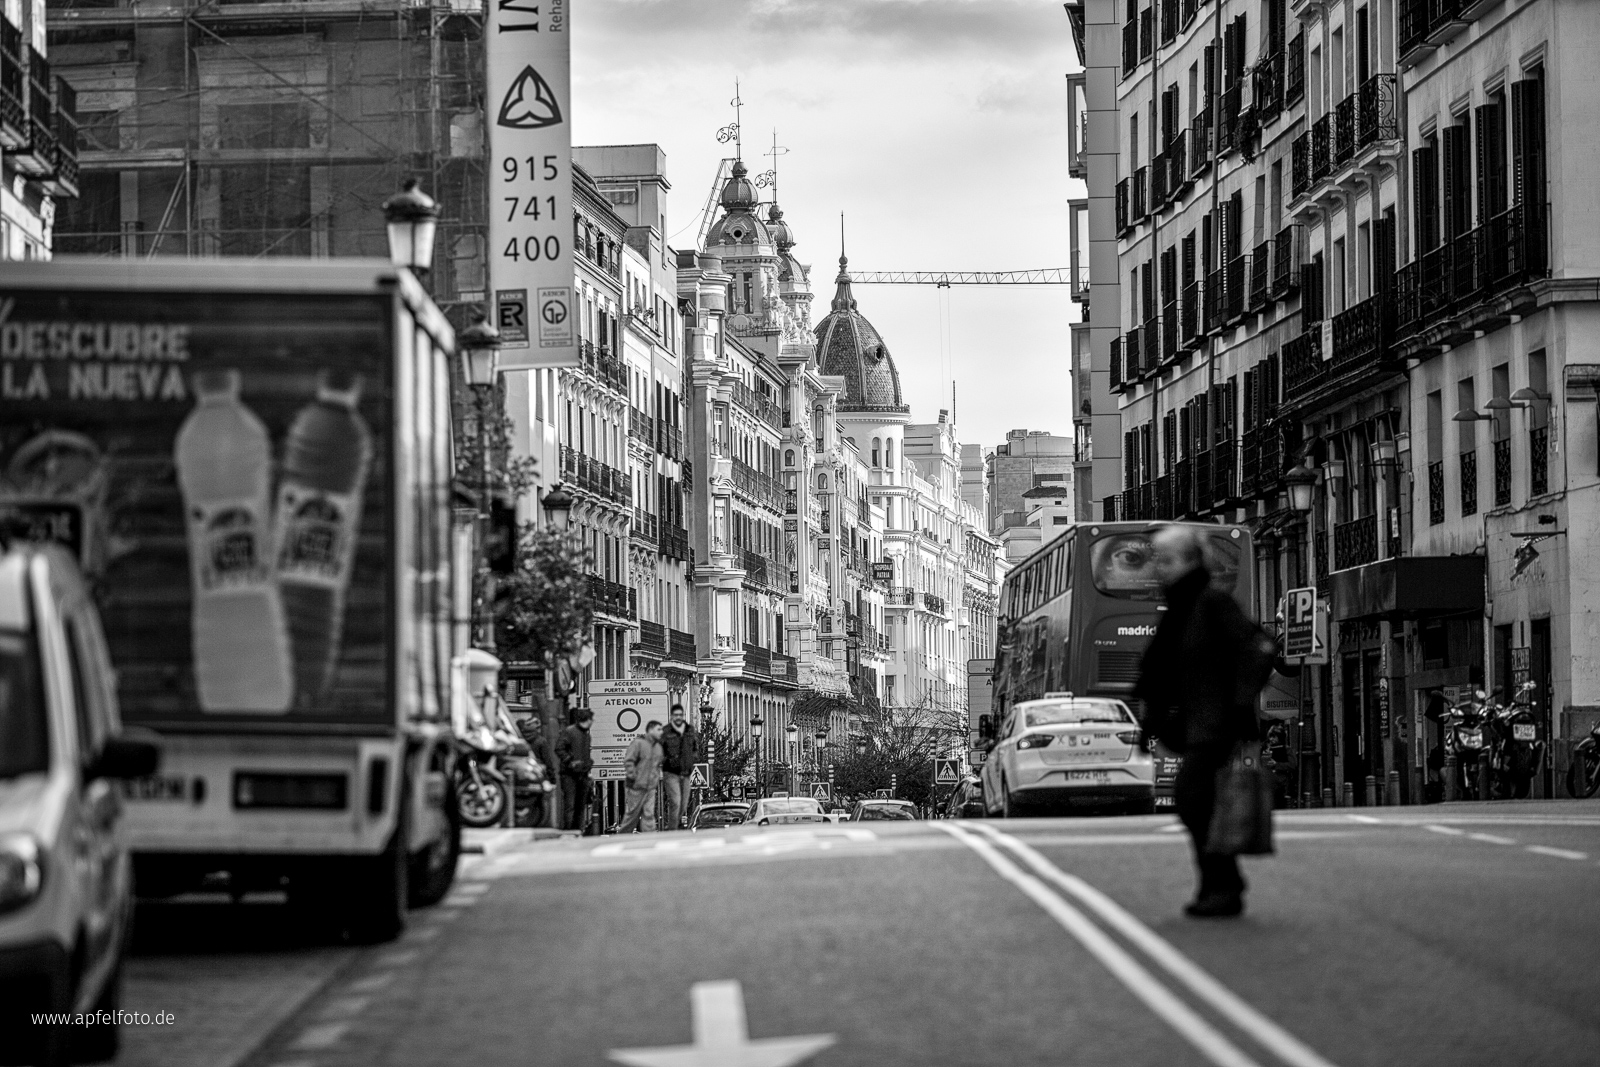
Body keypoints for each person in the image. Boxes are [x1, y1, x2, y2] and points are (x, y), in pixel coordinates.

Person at [1134, 524, 1262, 919]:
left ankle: (1223, 885)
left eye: (1167, 560)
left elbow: (1257, 647)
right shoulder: (1180, 607)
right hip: (1197, 724)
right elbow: (1160, 671)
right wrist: (1151, 721)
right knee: (1196, 802)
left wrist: (1239, 705)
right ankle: (1219, 884)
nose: (1159, 568)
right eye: (1157, 560)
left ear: (1191, 560)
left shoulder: (1211, 603)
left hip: (1216, 724)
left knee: (1194, 798)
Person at [614, 721, 665, 833]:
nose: (661, 732)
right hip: (636, 787)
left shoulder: (658, 747)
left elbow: (657, 766)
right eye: (658, 729)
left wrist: (655, 779)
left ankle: (650, 837)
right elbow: (629, 761)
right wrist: (633, 777)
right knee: (632, 815)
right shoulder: (638, 744)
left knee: (649, 814)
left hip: (650, 787)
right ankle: (623, 836)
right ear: (650, 730)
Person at [658, 703, 701, 831]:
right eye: (675, 715)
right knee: (675, 801)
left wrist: (693, 759)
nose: (678, 717)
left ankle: (674, 825)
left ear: (683, 716)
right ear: (672, 716)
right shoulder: (665, 732)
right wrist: (667, 761)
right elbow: (659, 750)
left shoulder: (689, 730)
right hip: (671, 772)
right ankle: (673, 830)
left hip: (686, 772)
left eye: (680, 715)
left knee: (683, 803)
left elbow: (695, 747)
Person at [554, 707, 595, 832]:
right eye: (591, 719)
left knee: (580, 806)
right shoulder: (570, 732)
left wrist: (588, 765)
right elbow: (559, 748)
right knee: (570, 805)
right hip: (569, 775)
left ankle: (577, 830)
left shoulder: (586, 735)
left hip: (582, 774)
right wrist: (570, 761)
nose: (592, 722)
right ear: (587, 720)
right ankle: (569, 830)